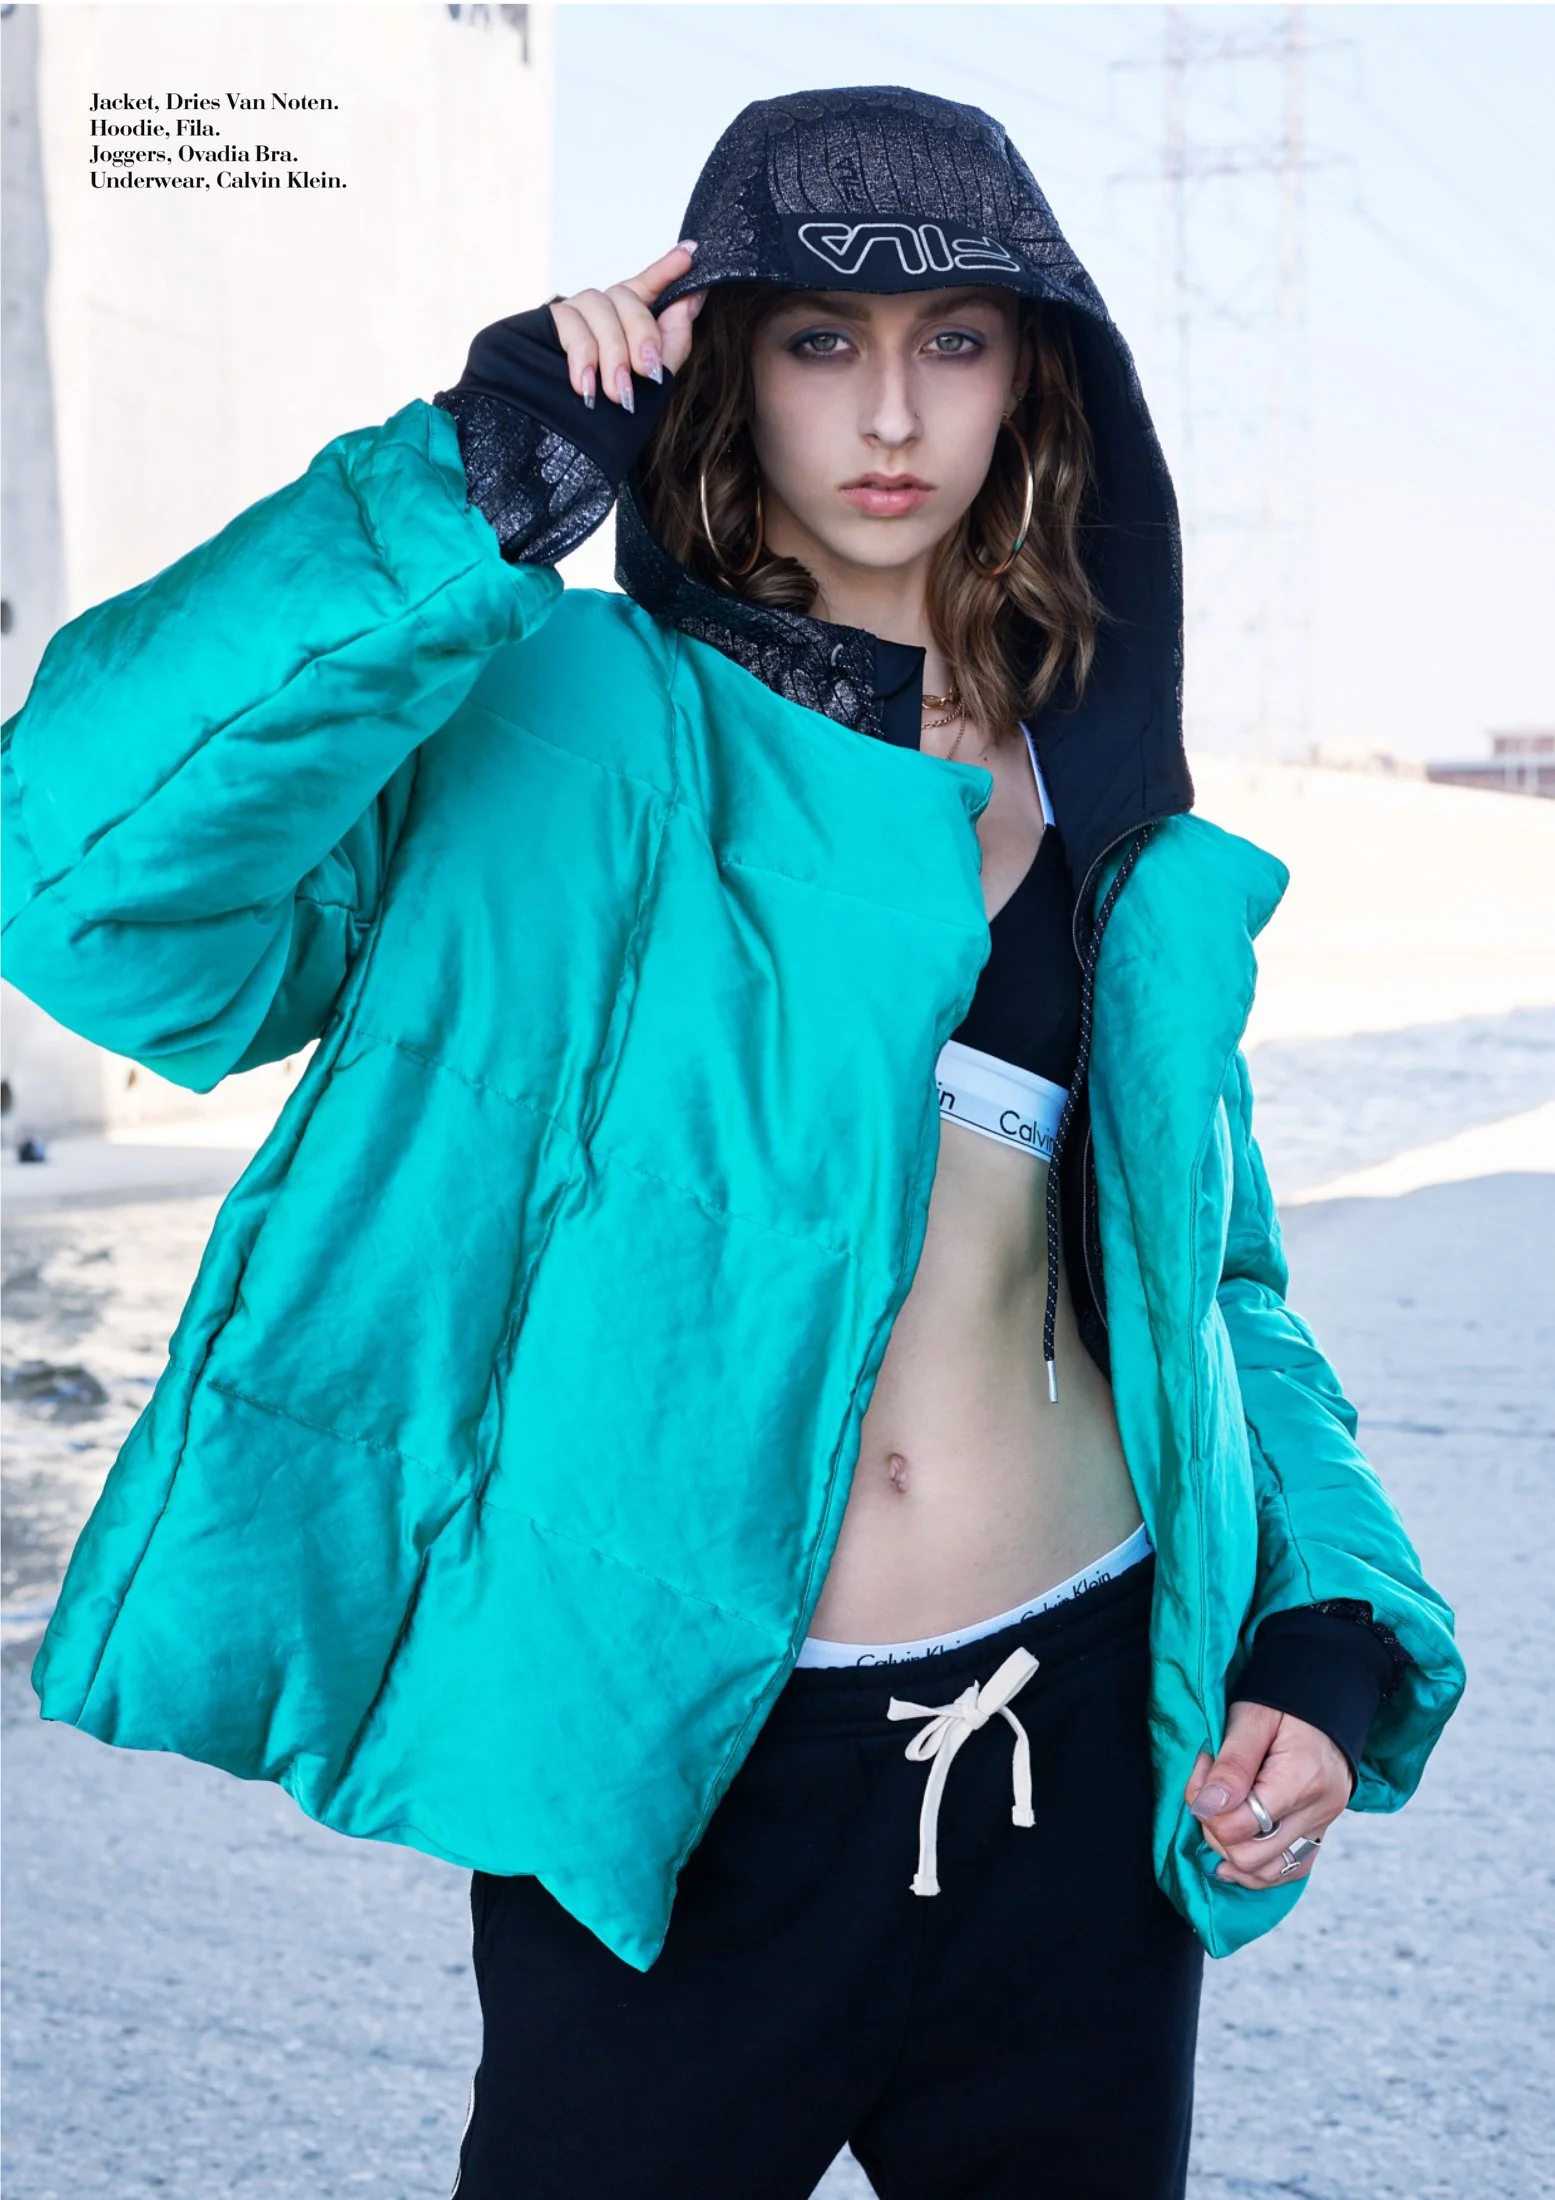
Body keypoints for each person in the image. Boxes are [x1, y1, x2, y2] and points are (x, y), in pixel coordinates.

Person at [3, 87, 1463, 2200]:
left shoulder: (1104, 793)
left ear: (1034, 382)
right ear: (712, 362)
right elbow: (90, 887)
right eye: (818, 340)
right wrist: (461, 486)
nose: (893, 409)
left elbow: (1212, 1286)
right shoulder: (555, 716)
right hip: (679, 1783)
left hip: (1074, 1749)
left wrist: (1316, 1635)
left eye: (958, 341)